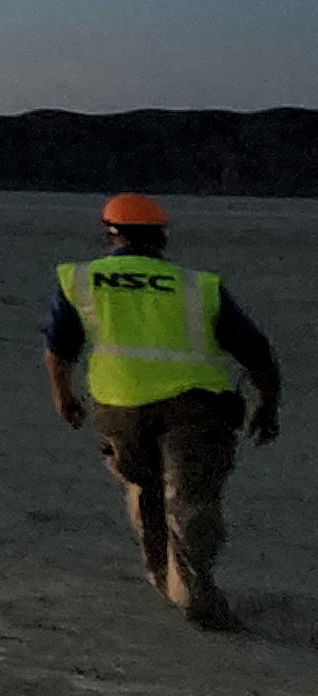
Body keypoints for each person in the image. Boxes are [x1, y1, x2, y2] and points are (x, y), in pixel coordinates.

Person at [45, 191, 284, 632]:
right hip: (195, 409)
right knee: (192, 499)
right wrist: (268, 404)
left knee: (143, 488)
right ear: (161, 239)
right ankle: (196, 590)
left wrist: (65, 397)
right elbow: (255, 351)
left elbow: (59, 348)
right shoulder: (198, 286)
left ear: (109, 234)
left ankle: (164, 578)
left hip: (119, 407)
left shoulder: (82, 279)